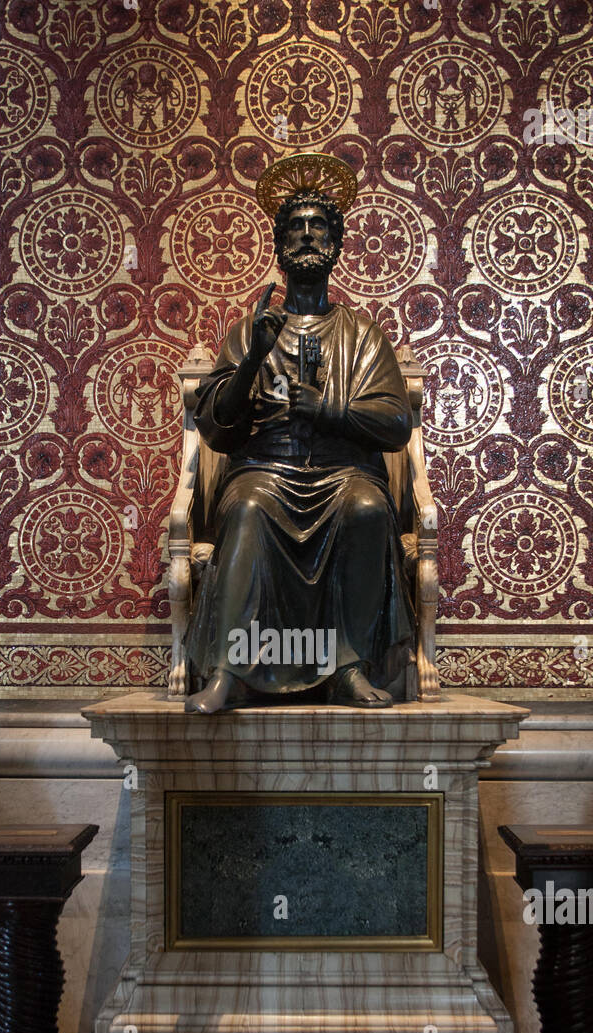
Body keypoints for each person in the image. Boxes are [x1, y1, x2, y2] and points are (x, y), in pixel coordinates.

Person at [184, 157, 415, 713]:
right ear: (279, 245)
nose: (307, 236)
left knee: (366, 509)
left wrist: (328, 410)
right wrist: (253, 360)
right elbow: (215, 427)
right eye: (296, 227)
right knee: (245, 510)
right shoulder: (250, 329)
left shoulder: (361, 333)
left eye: (319, 227)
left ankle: (348, 667)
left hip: (343, 473)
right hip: (265, 471)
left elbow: (395, 423)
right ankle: (230, 670)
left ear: (336, 245)